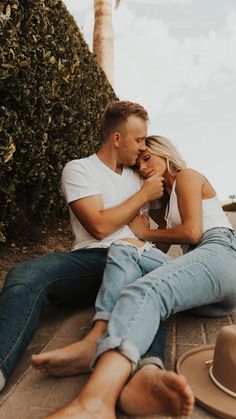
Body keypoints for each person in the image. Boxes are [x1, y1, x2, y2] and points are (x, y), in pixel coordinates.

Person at [0, 102, 192, 417]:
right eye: (139, 140)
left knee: (147, 288)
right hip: (91, 261)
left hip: (134, 261)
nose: (143, 147)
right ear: (117, 139)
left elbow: (155, 238)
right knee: (26, 274)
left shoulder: (139, 174)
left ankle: (144, 375)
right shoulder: (80, 169)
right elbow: (99, 225)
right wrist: (143, 196)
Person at [35, 134, 236, 419]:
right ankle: (99, 336)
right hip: (203, 283)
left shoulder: (187, 177)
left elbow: (191, 232)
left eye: (146, 159)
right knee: (124, 250)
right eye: (138, 165)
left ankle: (95, 400)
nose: (142, 168)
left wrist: (145, 233)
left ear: (165, 155)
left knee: (146, 290)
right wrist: (136, 236)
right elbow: (151, 252)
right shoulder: (165, 208)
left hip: (221, 255)